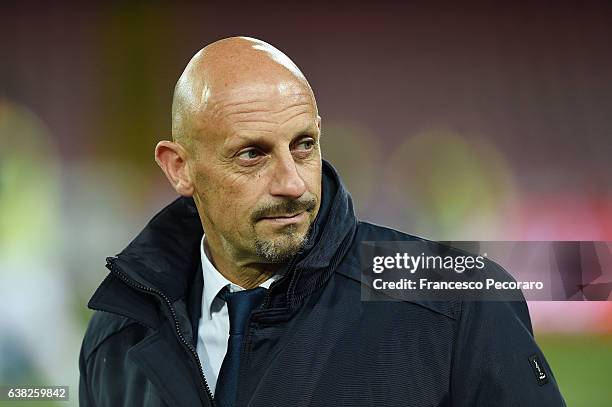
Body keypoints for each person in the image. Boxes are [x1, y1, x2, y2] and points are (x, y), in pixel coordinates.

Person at [79, 36, 566, 406]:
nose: (293, 183)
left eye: (303, 145)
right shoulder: (118, 335)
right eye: (252, 154)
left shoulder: (459, 300)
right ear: (179, 168)